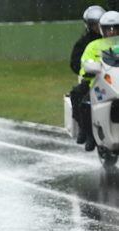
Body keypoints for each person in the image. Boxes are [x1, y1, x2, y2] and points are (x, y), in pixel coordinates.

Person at [78, 10, 119, 151]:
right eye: (109, 29)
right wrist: (88, 72)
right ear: (103, 30)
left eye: (115, 28)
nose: (112, 32)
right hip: (99, 84)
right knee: (85, 104)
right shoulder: (93, 46)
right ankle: (90, 136)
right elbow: (84, 65)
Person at [69, 5, 105, 144]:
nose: (97, 27)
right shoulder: (84, 43)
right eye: (94, 25)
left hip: (113, 78)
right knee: (79, 98)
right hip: (92, 80)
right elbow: (76, 63)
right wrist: (87, 73)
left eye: (99, 24)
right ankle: (85, 130)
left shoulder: (114, 41)